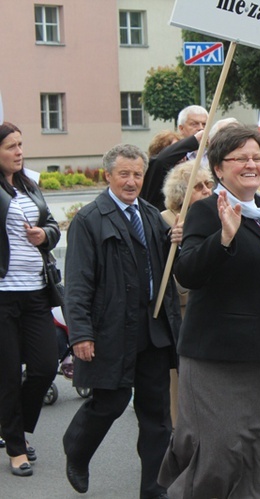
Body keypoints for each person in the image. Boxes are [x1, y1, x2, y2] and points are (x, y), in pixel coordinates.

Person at [158, 125, 260, 498]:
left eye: (257, 157)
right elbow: (189, 272)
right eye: (241, 158)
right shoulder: (205, 211)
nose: (251, 164)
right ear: (218, 168)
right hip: (220, 359)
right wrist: (224, 238)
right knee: (220, 454)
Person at [63, 144, 182, 498]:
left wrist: (176, 241)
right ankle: (78, 449)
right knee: (111, 403)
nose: (131, 182)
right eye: (124, 174)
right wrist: (80, 333)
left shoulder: (151, 216)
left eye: (137, 175)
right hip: (112, 329)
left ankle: (154, 489)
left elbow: (169, 272)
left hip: (153, 329)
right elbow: (78, 282)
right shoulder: (89, 220)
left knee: (157, 416)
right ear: (108, 176)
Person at [0, 122, 60, 477]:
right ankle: (16, 447)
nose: (19, 152)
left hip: (37, 292)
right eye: (11, 147)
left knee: (44, 367)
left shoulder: (29, 185)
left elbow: (52, 223)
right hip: (3, 297)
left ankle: (10, 427)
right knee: (7, 374)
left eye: (21, 145)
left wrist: (45, 234)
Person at [160, 161, 214, 427]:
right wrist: (179, 246)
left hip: (212, 318)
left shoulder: (214, 217)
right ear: (181, 195)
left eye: (209, 185)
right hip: (180, 318)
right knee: (180, 395)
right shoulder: (166, 221)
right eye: (198, 186)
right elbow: (171, 279)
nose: (206, 191)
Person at [140, 105, 209, 211]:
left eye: (204, 124)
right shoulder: (154, 172)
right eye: (176, 153)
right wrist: (194, 140)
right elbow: (161, 161)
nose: (200, 128)